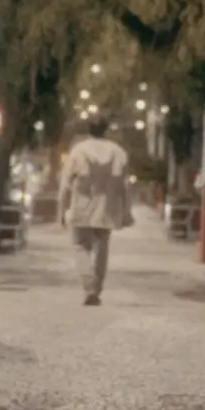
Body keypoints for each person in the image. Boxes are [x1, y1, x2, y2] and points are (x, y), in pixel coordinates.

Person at [58, 116, 134, 306]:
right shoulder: (117, 152)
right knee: (102, 248)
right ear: (106, 130)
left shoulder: (79, 150)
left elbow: (66, 185)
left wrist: (61, 210)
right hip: (107, 207)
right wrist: (126, 211)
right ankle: (97, 288)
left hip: (81, 205)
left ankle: (88, 286)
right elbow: (124, 186)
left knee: (80, 246)